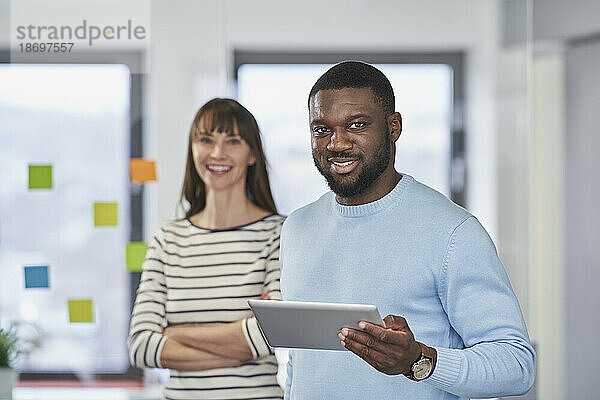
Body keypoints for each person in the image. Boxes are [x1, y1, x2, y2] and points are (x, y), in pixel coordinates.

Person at [279, 61, 535, 399]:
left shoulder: (453, 231)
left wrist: (418, 360)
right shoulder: (296, 229)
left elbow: (516, 365)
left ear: (393, 127)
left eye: (356, 125)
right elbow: (303, 364)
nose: (337, 143)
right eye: (322, 129)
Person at [128, 98, 284, 400]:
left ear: (252, 153)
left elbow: (270, 336)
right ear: (193, 149)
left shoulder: (279, 234)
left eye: (233, 141)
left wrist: (174, 333)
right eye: (206, 140)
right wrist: (239, 341)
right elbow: (140, 346)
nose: (217, 153)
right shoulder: (167, 240)